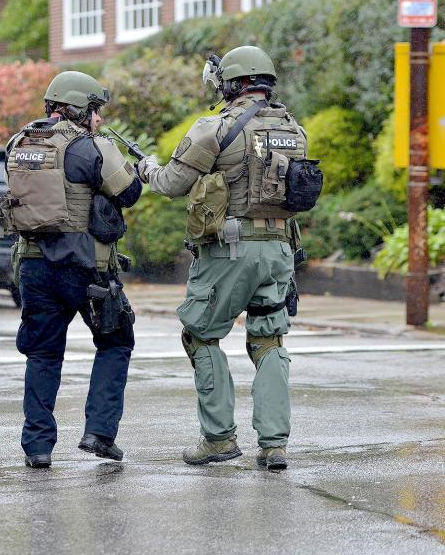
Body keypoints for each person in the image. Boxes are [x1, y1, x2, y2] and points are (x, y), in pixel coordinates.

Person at [137, 46, 320, 471]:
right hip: (279, 251)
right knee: (269, 340)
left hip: (229, 250)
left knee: (200, 335)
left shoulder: (215, 129)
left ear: (232, 84)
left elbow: (170, 183)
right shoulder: (295, 130)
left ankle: (219, 438)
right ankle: (274, 445)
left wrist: (146, 168)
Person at [0, 71, 142, 468]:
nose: (99, 119)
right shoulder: (89, 148)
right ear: (80, 109)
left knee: (43, 354)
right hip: (87, 269)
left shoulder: (17, 144)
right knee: (116, 342)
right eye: (95, 110)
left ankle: (37, 447)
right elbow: (129, 191)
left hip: (33, 267)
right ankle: (99, 432)